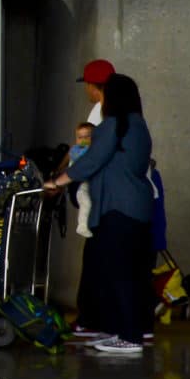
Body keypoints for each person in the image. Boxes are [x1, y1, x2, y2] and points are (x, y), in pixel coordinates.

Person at [45, 72, 153, 356]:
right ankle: (126, 331)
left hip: (117, 208)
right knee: (128, 271)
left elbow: (90, 162)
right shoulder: (139, 126)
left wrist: (56, 182)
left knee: (117, 272)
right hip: (139, 208)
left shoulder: (112, 127)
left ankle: (129, 336)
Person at [70, 59, 115, 336]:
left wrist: (63, 176)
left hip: (100, 197)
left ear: (92, 85)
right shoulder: (121, 112)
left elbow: (87, 152)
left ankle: (90, 319)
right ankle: (93, 317)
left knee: (96, 260)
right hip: (112, 197)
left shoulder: (101, 111)